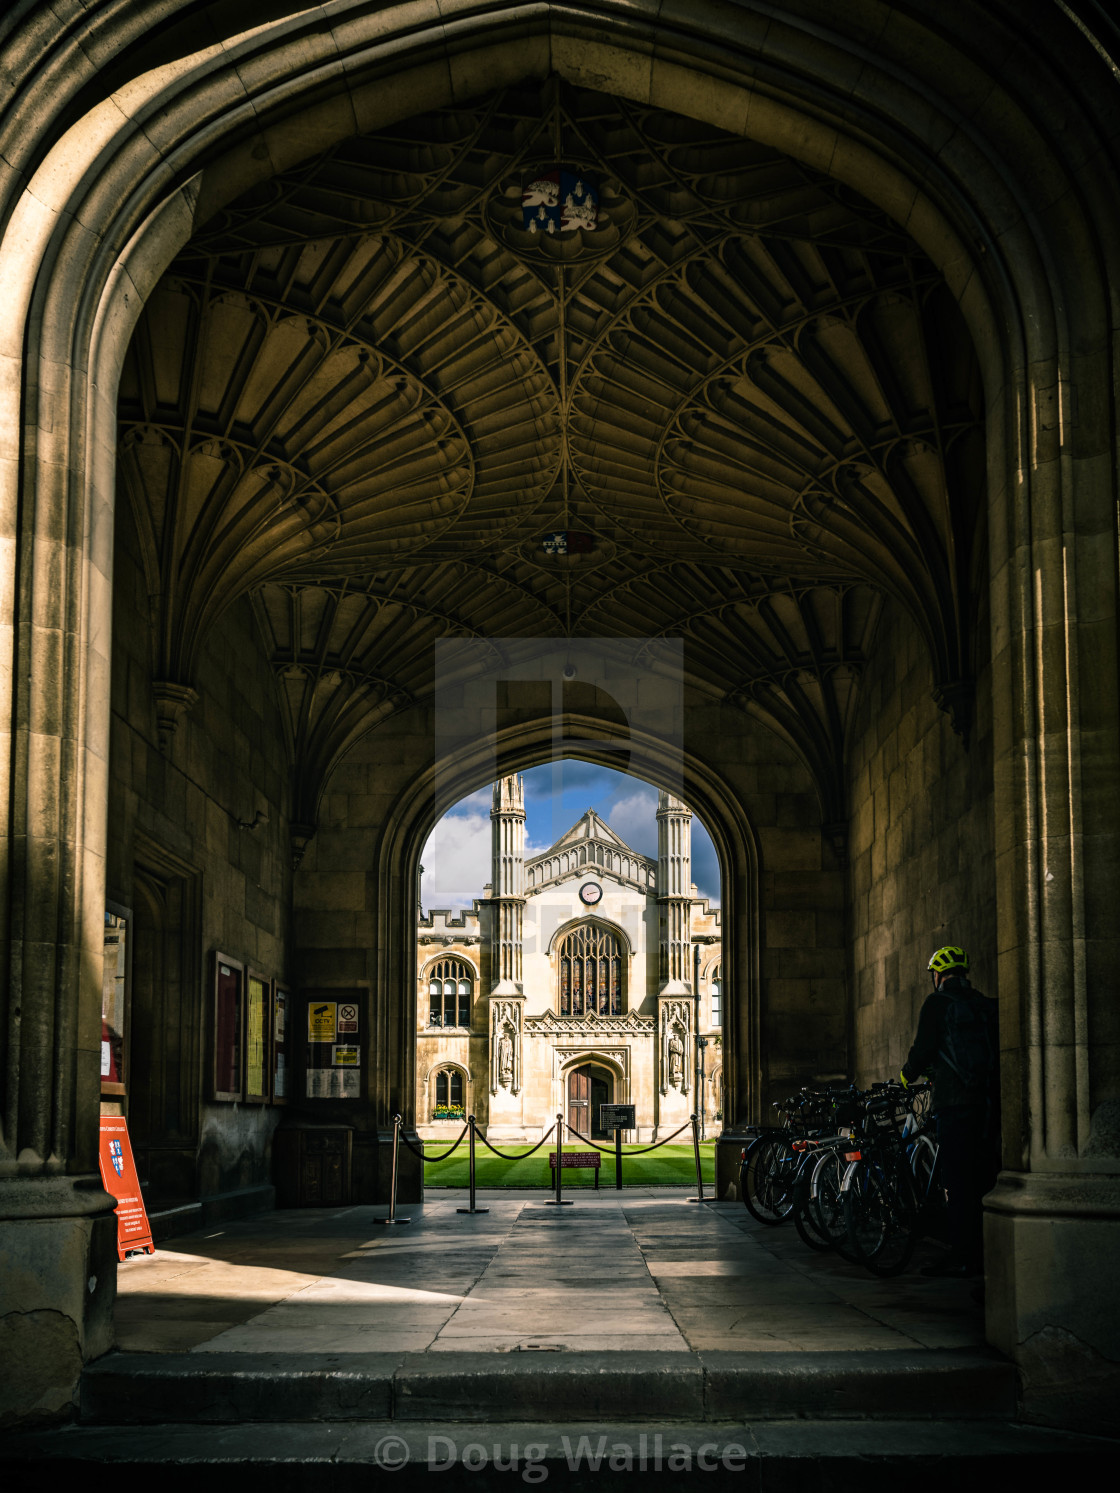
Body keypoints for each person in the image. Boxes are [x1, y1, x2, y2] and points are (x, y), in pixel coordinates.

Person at [901, 945, 999, 1278]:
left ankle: (962, 1256)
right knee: (983, 1178)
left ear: (938, 975)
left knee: (955, 1182)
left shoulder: (937, 1004)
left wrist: (906, 1075)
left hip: (954, 1104)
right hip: (986, 1105)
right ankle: (988, 1253)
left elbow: (923, 1047)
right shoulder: (984, 1004)